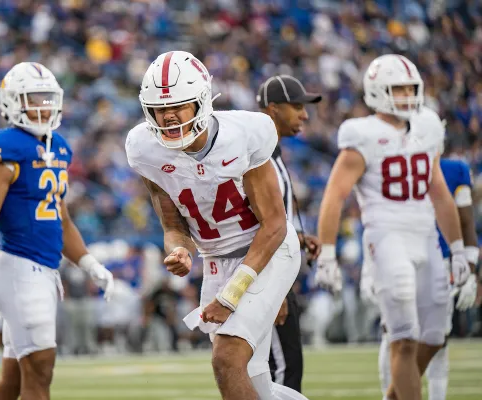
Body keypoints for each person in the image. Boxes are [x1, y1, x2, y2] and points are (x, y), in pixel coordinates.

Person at [126, 51, 308, 400]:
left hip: (267, 252)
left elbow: (274, 225)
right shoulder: (145, 149)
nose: (167, 116)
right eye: (159, 109)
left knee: (226, 358)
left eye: (178, 106)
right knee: (254, 383)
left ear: (202, 102)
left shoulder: (243, 135)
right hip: (215, 260)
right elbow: (173, 224)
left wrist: (232, 293)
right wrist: (178, 249)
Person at [316, 54, 472, 400]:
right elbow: (334, 196)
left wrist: (458, 249)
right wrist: (327, 254)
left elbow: (441, 195)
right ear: (377, 92)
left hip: (426, 236)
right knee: (403, 337)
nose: (406, 96)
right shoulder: (363, 135)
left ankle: (393, 396)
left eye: (410, 88)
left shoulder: (426, 128)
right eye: (397, 89)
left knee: (435, 334)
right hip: (386, 237)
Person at [0, 62, 114, 400]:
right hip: (20, 268)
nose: (44, 107)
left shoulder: (58, 147)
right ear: (12, 102)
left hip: (44, 270)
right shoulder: (3, 148)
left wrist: (90, 264)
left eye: (49, 99)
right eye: (35, 99)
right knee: (40, 374)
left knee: (13, 381)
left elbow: (61, 220)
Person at [361, 156, 479, 400]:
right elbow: (375, 219)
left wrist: (471, 267)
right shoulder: (390, 160)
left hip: (439, 257)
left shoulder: (453, 170)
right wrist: (369, 267)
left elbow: (465, 220)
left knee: (437, 339)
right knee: (394, 333)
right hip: (399, 255)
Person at [256, 75, 323, 393]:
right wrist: (276, 291)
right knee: (282, 373)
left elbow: (274, 220)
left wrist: (297, 236)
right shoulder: (258, 154)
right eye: (297, 106)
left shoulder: (272, 151)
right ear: (273, 109)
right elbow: (257, 225)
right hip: (267, 279)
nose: (304, 114)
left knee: (281, 370)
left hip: (273, 275)